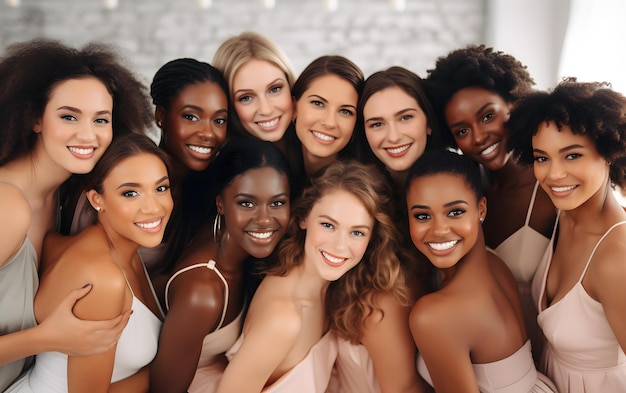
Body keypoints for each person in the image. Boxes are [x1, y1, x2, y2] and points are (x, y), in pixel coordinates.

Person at [0, 38, 151, 390]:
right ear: (35, 118)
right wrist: (46, 338)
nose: (88, 134)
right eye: (69, 116)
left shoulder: (62, 198)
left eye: (101, 119)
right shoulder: (9, 206)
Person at [6, 133, 172, 392]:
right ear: (97, 200)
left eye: (161, 188)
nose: (153, 207)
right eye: (130, 193)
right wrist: (146, 377)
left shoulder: (118, 247)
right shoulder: (102, 280)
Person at [216, 160, 399, 393]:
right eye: (328, 225)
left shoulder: (334, 289)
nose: (340, 245)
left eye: (356, 232)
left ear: (372, 238)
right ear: (304, 218)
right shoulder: (283, 319)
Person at [425, 45, 557, 362]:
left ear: (516, 103)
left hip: (552, 360)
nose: (479, 136)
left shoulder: (555, 190)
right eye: (462, 130)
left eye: (487, 116)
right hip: (495, 364)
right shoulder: (467, 193)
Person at [506, 79, 626, 392]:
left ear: (609, 152)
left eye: (572, 155)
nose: (554, 174)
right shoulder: (561, 215)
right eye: (542, 158)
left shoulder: (617, 256)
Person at [407, 149, 557, 393]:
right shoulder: (495, 262)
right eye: (423, 215)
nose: (439, 230)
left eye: (455, 212)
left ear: (481, 209)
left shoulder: (433, 316)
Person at [150, 138, 292, 393]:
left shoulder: (227, 239)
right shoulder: (202, 293)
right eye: (247, 203)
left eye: (277, 203)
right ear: (221, 204)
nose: (264, 219)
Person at [147, 57, 229, 271]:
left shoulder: (212, 194)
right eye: (191, 117)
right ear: (161, 115)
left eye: (219, 120)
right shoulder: (127, 175)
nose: (208, 133)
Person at [282, 55, 364, 196]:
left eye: (345, 111)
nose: (329, 122)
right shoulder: (272, 168)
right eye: (318, 103)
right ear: (294, 107)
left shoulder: (360, 190)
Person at [357, 66, 441, 189]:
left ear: (429, 122)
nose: (394, 137)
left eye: (405, 118)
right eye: (377, 124)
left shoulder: (469, 179)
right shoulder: (349, 192)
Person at [212, 31, 295, 142]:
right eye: (246, 98)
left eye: (275, 89)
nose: (266, 110)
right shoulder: (246, 158)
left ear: (290, 84)